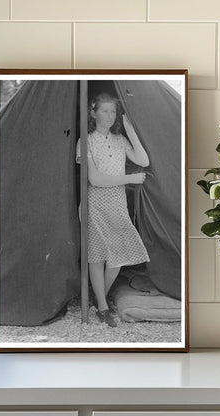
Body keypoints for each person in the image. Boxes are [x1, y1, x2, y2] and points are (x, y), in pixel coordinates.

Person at [76, 93, 150, 328]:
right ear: (93, 113)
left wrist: (129, 129)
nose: (110, 116)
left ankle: (97, 299)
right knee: (96, 256)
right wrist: (130, 178)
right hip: (94, 204)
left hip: (117, 203)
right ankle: (103, 306)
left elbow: (143, 160)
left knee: (117, 258)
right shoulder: (85, 141)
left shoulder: (120, 140)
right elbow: (95, 180)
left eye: (113, 112)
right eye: (105, 111)